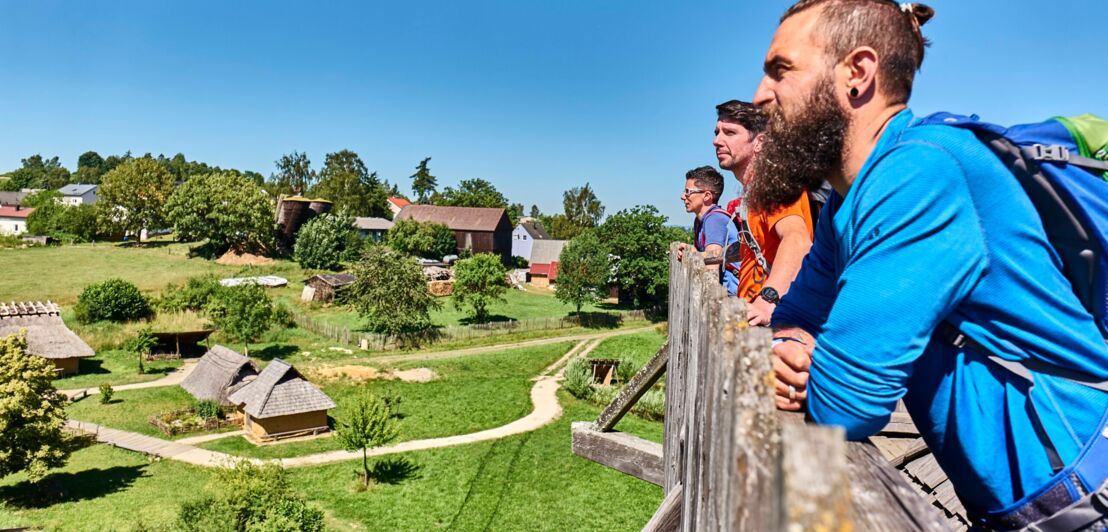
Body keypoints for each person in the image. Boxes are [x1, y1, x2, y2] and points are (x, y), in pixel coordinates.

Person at [754, 0, 1108, 528]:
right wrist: (797, 345)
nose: (761, 95)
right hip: (1031, 503)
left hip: (1080, 488)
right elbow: (797, 315)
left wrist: (813, 364)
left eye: (780, 70)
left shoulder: (919, 170)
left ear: (858, 73)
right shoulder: (847, 204)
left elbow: (846, 403)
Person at [713, 100, 814, 326]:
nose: (717, 140)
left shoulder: (776, 186)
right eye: (717, 132)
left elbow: (798, 241)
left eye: (729, 132)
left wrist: (767, 301)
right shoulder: (755, 189)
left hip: (776, 323)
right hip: (757, 320)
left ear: (759, 142)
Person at [680, 166, 741, 296]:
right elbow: (709, 256)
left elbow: (712, 266)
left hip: (732, 296)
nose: (682, 196)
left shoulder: (714, 219)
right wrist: (694, 253)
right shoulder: (702, 220)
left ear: (707, 195)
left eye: (688, 192)